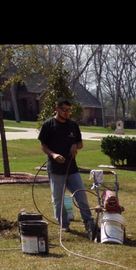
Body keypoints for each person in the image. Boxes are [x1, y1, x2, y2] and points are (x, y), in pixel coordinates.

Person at [38, 98, 93, 234]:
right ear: (57, 108)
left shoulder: (73, 125)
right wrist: (53, 155)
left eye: (69, 110)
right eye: (64, 110)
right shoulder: (48, 125)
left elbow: (80, 143)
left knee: (81, 196)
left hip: (72, 169)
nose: (67, 113)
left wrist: (75, 146)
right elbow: (43, 145)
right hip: (56, 170)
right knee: (58, 199)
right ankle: (64, 223)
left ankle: (88, 223)